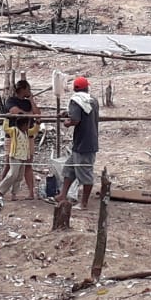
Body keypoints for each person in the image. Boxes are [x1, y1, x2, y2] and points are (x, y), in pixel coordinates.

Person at [53, 76, 100, 210]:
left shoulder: (76, 101)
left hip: (83, 143)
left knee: (85, 173)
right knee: (69, 169)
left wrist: (67, 122)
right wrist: (68, 114)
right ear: (87, 88)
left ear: (74, 88)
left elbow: (75, 120)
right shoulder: (92, 100)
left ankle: (84, 203)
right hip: (87, 141)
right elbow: (84, 114)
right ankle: (63, 195)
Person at [0, 79, 41, 199]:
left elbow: (37, 113)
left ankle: (30, 193)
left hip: (27, 136)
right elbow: (15, 111)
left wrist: (31, 101)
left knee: (28, 164)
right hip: (14, 137)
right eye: (28, 89)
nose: (29, 91)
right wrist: (29, 114)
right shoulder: (11, 101)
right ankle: (1, 190)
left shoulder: (28, 103)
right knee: (9, 164)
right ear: (23, 89)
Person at [0, 117, 33, 201]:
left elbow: (34, 131)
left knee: (19, 177)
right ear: (24, 125)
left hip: (23, 158)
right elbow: (6, 129)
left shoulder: (26, 132)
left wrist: (38, 124)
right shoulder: (15, 131)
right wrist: (7, 119)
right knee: (13, 174)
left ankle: (14, 194)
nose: (29, 126)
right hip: (15, 157)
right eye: (28, 124)